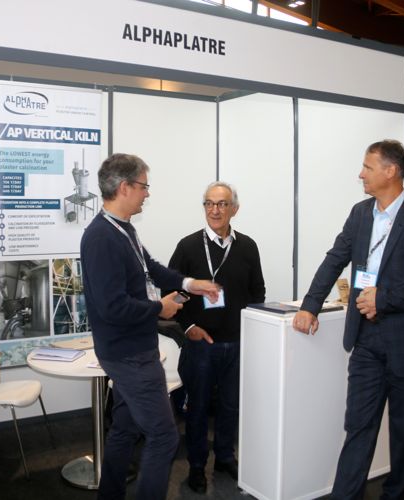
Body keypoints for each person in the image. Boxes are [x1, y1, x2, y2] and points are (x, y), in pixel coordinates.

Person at [292, 140, 404, 500]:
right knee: (358, 425)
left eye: (367, 167)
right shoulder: (360, 213)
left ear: (391, 171)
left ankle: (395, 494)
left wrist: (385, 298)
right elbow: (335, 258)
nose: (360, 174)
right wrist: (310, 305)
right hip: (365, 340)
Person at [80, 153, 219, 500]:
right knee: (164, 436)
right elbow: (113, 307)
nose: (148, 193)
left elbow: (151, 269)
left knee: (125, 429)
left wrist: (190, 284)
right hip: (128, 354)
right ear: (125, 187)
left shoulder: (122, 229)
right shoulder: (100, 238)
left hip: (134, 348)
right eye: (144, 186)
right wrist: (160, 308)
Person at [167, 181, 266, 494]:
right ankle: (197, 466)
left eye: (222, 204)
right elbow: (172, 293)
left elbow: (258, 291)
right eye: (209, 203)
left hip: (237, 343)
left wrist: (249, 328)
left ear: (234, 209)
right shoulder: (187, 246)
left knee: (230, 406)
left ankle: (224, 457)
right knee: (197, 409)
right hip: (200, 344)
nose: (215, 210)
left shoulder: (247, 246)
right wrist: (188, 327)